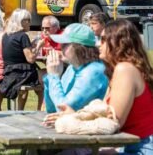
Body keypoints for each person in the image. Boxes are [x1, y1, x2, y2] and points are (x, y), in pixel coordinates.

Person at [44, 19, 153, 154]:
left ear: (118, 43)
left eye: (102, 39)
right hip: (126, 144)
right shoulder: (120, 69)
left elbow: (112, 123)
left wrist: (72, 120)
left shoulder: (125, 69)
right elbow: (106, 115)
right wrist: (75, 115)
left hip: (137, 148)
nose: (97, 44)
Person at [43, 23, 108, 113]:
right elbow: (51, 109)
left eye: (65, 45)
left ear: (79, 47)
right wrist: (49, 79)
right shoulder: (72, 68)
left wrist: (54, 77)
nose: (61, 48)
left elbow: (62, 109)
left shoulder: (93, 72)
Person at [0, 9, 42, 110]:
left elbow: (16, 52)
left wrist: (31, 45)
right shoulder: (23, 36)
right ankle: (41, 110)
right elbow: (31, 59)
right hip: (21, 73)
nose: (29, 23)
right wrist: (39, 46)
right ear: (21, 21)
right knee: (46, 77)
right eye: (28, 20)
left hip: (9, 72)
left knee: (39, 78)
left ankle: (21, 110)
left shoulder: (6, 35)